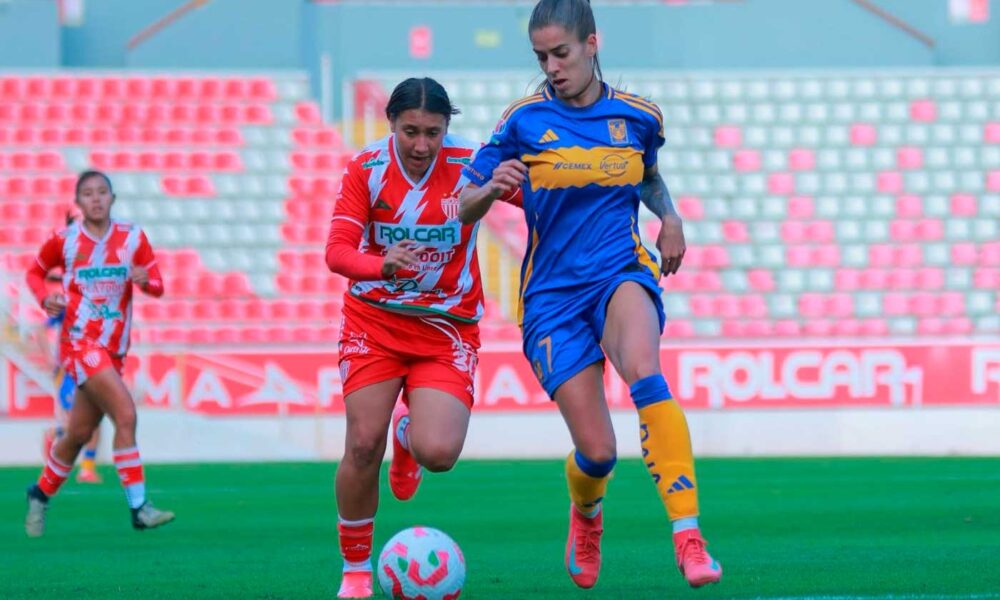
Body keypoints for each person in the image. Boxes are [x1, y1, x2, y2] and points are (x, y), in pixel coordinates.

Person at [458, 0, 722, 590]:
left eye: (561, 53)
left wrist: (671, 218)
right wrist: (489, 190)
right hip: (552, 297)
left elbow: (646, 174)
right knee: (598, 453)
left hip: (618, 270)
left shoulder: (638, 117)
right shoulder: (523, 122)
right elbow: (462, 203)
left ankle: (688, 534)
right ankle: (587, 514)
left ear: (592, 44)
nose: (551, 66)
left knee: (646, 372)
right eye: (541, 57)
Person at [326, 77, 520, 599]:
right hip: (374, 322)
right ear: (391, 123)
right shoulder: (364, 169)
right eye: (410, 131)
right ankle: (356, 572)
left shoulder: (469, 164)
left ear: (446, 128)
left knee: (440, 453)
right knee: (362, 445)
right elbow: (337, 252)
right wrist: (379, 264)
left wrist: (520, 177)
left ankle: (409, 438)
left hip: (445, 328)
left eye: (432, 132)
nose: (421, 145)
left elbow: (541, 197)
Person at [24, 170, 174, 537]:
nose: (95, 199)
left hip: (114, 350)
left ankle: (39, 494)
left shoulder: (132, 237)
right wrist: (46, 298)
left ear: (112, 198)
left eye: (102, 192)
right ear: (78, 201)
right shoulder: (65, 240)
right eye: (88, 193)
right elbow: (34, 273)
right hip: (80, 343)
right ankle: (139, 507)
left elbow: (157, 283)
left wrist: (145, 282)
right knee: (126, 413)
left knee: (77, 434)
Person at [37, 229, 102, 484]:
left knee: (94, 418)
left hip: (89, 367)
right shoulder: (68, 306)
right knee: (77, 421)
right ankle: (56, 439)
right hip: (69, 370)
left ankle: (86, 468)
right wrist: (50, 360)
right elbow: (41, 331)